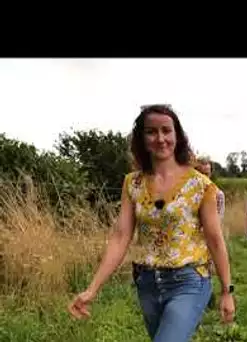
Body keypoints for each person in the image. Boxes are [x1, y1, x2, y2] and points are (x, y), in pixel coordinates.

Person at [67, 104, 235, 342]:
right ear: (142, 138)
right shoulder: (132, 184)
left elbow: (215, 240)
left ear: (177, 135)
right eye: (151, 132)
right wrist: (92, 289)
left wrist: (227, 291)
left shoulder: (201, 186)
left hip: (188, 281)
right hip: (147, 283)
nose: (160, 138)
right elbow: (120, 236)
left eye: (166, 130)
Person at [194, 158, 226, 310]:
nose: (204, 176)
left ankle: (207, 298)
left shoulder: (217, 194)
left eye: (207, 173)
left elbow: (217, 220)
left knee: (206, 268)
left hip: (206, 237)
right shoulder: (187, 192)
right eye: (201, 173)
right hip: (188, 239)